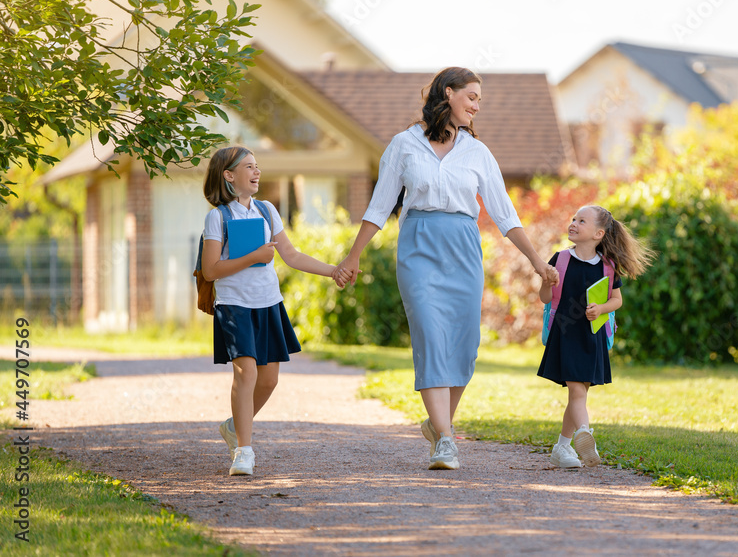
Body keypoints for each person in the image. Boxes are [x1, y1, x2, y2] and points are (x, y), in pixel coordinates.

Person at [333, 67, 559, 471]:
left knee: (464, 345)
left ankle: (439, 425)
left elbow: (505, 215)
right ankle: (446, 441)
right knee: (429, 334)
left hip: (462, 246)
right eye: (471, 97)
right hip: (418, 242)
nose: (476, 106)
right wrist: (354, 254)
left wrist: (537, 261)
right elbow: (380, 205)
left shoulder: (477, 152)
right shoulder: (404, 144)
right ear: (448, 94)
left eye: (478, 100)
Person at [201, 146, 336, 476]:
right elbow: (210, 271)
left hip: (268, 302)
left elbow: (292, 255)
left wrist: (333, 270)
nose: (257, 171)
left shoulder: (267, 210)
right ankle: (244, 451)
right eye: (249, 166)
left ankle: (234, 427)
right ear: (229, 176)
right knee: (246, 373)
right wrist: (256, 255)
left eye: (257, 166)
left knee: (269, 379)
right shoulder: (217, 216)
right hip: (234, 306)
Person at [538, 205, 653, 468]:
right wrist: (546, 281)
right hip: (565, 333)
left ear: (598, 233)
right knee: (577, 391)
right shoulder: (561, 259)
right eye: (573, 218)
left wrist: (600, 309)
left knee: (578, 394)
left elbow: (616, 300)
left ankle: (563, 447)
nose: (574, 223)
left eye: (582, 221)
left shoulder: (607, 267)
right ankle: (584, 434)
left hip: (592, 336)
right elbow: (545, 299)